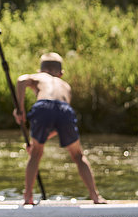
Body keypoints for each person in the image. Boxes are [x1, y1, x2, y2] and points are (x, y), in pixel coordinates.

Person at [14, 52, 106, 205]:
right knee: (78, 156)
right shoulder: (66, 86)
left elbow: (21, 80)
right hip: (64, 109)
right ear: (61, 73)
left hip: (43, 107)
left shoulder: (40, 77)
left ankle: (28, 196)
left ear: (40, 70)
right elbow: (58, 123)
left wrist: (20, 109)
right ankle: (95, 196)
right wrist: (41, 137)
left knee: (36, 154)